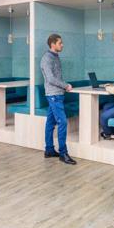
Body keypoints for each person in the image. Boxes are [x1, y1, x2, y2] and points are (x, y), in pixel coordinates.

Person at [40, 34, 76, 165]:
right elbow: (50, 79)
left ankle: (49, 150)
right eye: (60, 43)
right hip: (53, 95)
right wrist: (66, 86)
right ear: (52, 44)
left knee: (50, 123)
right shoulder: (47, 58)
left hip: (57, 95)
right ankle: (63, 153)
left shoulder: (55, 56)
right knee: (63, 122)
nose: (62, 45)